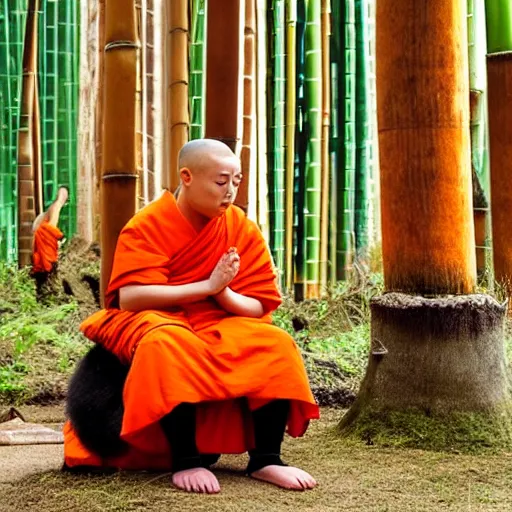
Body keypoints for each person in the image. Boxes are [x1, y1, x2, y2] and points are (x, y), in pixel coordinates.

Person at [64, 139, 320, 493]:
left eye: (236, 181)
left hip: (218, 317)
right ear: (186, 177)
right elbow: (131, 297)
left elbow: (260, 305)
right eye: (220, 181)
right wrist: (206, 286)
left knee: (274, 343)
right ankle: (186, 459)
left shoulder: (240, 227)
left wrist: (222, 291)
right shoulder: (148, 224)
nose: (230, 191)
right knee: (168, 344)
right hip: (157, 316)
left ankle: (267, 459)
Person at [31, 187, 68, 288]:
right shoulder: (56, 207)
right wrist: (60, 237)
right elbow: (50, 228)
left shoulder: (53, 207)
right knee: (46, 266)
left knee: (42, 264)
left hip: (41, 237)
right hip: (43, 237)